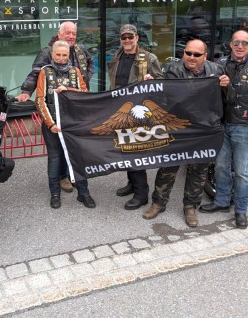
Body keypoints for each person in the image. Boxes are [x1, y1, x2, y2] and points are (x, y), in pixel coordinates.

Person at [142, 39, 229, 227]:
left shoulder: (216, 70)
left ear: (205, 56)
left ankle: (190, 207)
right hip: (178, 128)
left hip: (204, 129)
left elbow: (228, 100)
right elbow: (164, 97)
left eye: (196, 54)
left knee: (198, 170)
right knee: (168, 166)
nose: (191, 57)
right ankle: (158, 203)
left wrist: (226, 87)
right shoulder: (172, 70)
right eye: (188, 53)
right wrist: (152, 84)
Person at [199, 30, 248, 229]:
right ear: (230, 44)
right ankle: (222, 201)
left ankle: (241, 210)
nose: (240, 46)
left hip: (244, 126)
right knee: (221, 166)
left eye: (244, 43)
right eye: (236, 42)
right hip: (221, 124)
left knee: (241, 172)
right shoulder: (220, 64)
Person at [16, 21, 95, 194]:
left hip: (74, 110)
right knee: (56, 152)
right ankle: (61, 179)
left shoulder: (80, 50)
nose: (71, 36)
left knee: (71, 148)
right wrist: (26, 91)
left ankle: (70, 177)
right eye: (67, 33)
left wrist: (85, 77)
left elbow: (91, 62)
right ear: (59, 34)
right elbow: (36, 73)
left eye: (73, 33)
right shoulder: (47, 52)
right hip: (54, 110)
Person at [34, 40, 96, 209]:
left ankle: (83, 193)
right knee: (55, 158)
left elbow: (85, 93)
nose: (61, 58)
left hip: (73, 124)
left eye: (65, 55)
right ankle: (55, 193)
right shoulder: (45, 72)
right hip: (53, 124)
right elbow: (40, 100)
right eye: (58, 55)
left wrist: (68, 90)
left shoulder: (75, 71)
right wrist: (50, 124)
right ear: (52, 54)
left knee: (77, 158)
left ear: (69, 55)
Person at [108, 24, 163, 210]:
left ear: (137, 38)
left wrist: (151, 80)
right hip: (121, 108)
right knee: (125, 149)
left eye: (130, 37)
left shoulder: (149, 58)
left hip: (139, 112)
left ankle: (141, 194)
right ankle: (132, 183)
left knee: (135, 151)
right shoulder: (117, 56)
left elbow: (161, 82)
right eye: (124, 37)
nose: (127, 40)